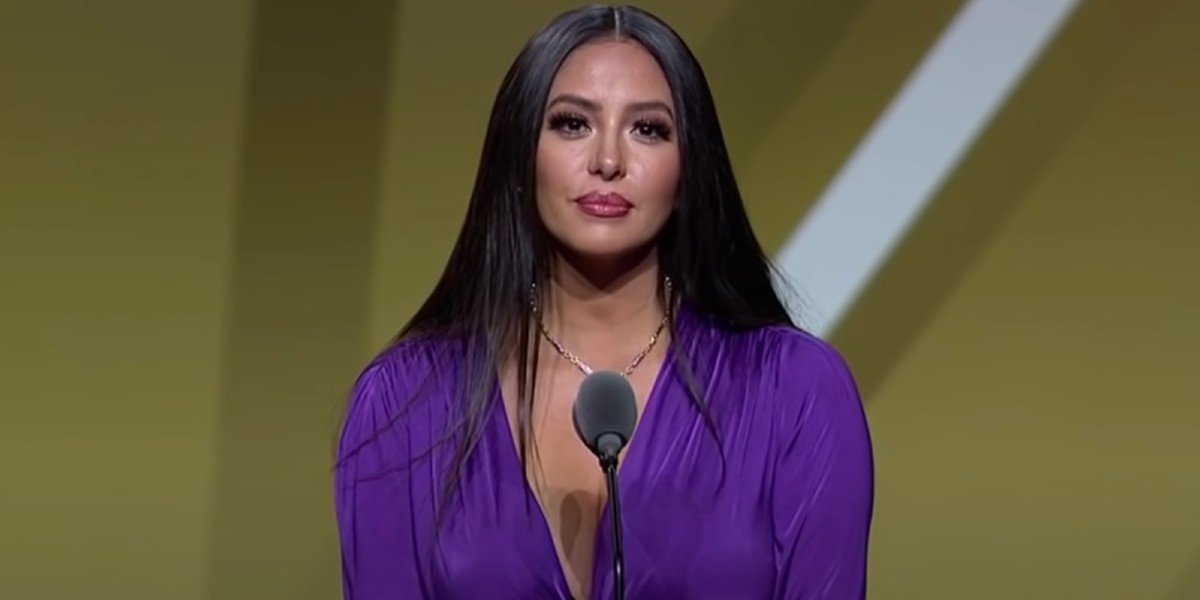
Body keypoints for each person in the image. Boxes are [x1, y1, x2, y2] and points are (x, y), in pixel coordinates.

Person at [334, 5, 873, 599]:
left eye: (648, 129)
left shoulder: (795, 393)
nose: (609, 161)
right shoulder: (403, 405)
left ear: (689, 169)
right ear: (519, 153)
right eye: (572, 124)